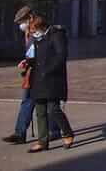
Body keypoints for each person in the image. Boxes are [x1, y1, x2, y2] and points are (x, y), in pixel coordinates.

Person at [1, 6, 60, 145]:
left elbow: (51, 51)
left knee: (49, 102)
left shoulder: (44, 30)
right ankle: (19, 133)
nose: (21, 25)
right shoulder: (28, 32)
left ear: (30, 17)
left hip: (44, 71)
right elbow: (31, 51)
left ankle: (54, 130)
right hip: (31, 71)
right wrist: (26, 61)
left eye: (22, 21)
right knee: (27, 100)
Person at [26, 14, 74, 153]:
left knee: (53, 109)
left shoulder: (56, 35)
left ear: (41, 27)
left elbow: (61, 56)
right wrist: (28, 62)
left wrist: (48, 70)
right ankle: (42, 141)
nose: (33, 33)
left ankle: (68, 133)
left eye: (34, 30)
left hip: (52, 78)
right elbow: (34, 55)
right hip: (38, 78)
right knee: (40, 110)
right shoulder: (37, 38)